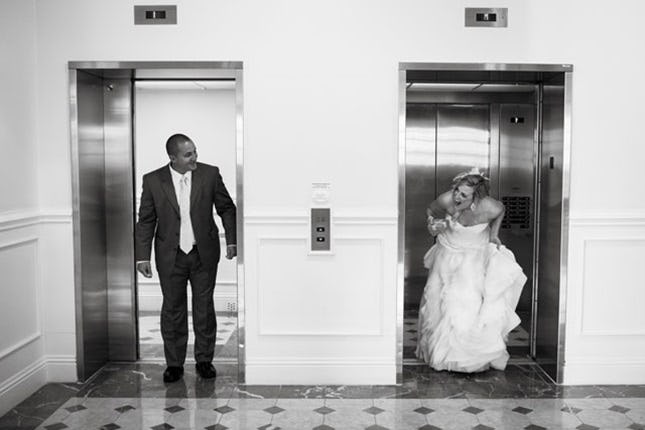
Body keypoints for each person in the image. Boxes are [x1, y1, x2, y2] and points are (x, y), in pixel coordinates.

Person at [135, 133, 237, 383]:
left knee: (204, 308)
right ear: (173, 157)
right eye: (188, 154)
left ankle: (204, 361)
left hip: (204, 253)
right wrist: (142, 256)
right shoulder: (153, 180)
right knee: (172, 308)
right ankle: (174, 364)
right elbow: (146, 220)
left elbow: (227, 208)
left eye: (195, 152)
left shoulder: (210, 174)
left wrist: (232, 240)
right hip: (170, 256)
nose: (195, 157)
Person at [415, 168, 527, 372]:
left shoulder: (491, 207)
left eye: (463, 194)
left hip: (474, 257)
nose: (457, 196)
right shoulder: (447, 200)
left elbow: (501, 211)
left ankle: (468, 357)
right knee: (437, 300)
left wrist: (494, 234)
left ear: (476, 198)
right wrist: (432, 225)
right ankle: (441, 354)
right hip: (447, 254)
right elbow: (430, 211)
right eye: (457, 190)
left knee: (466, 302)